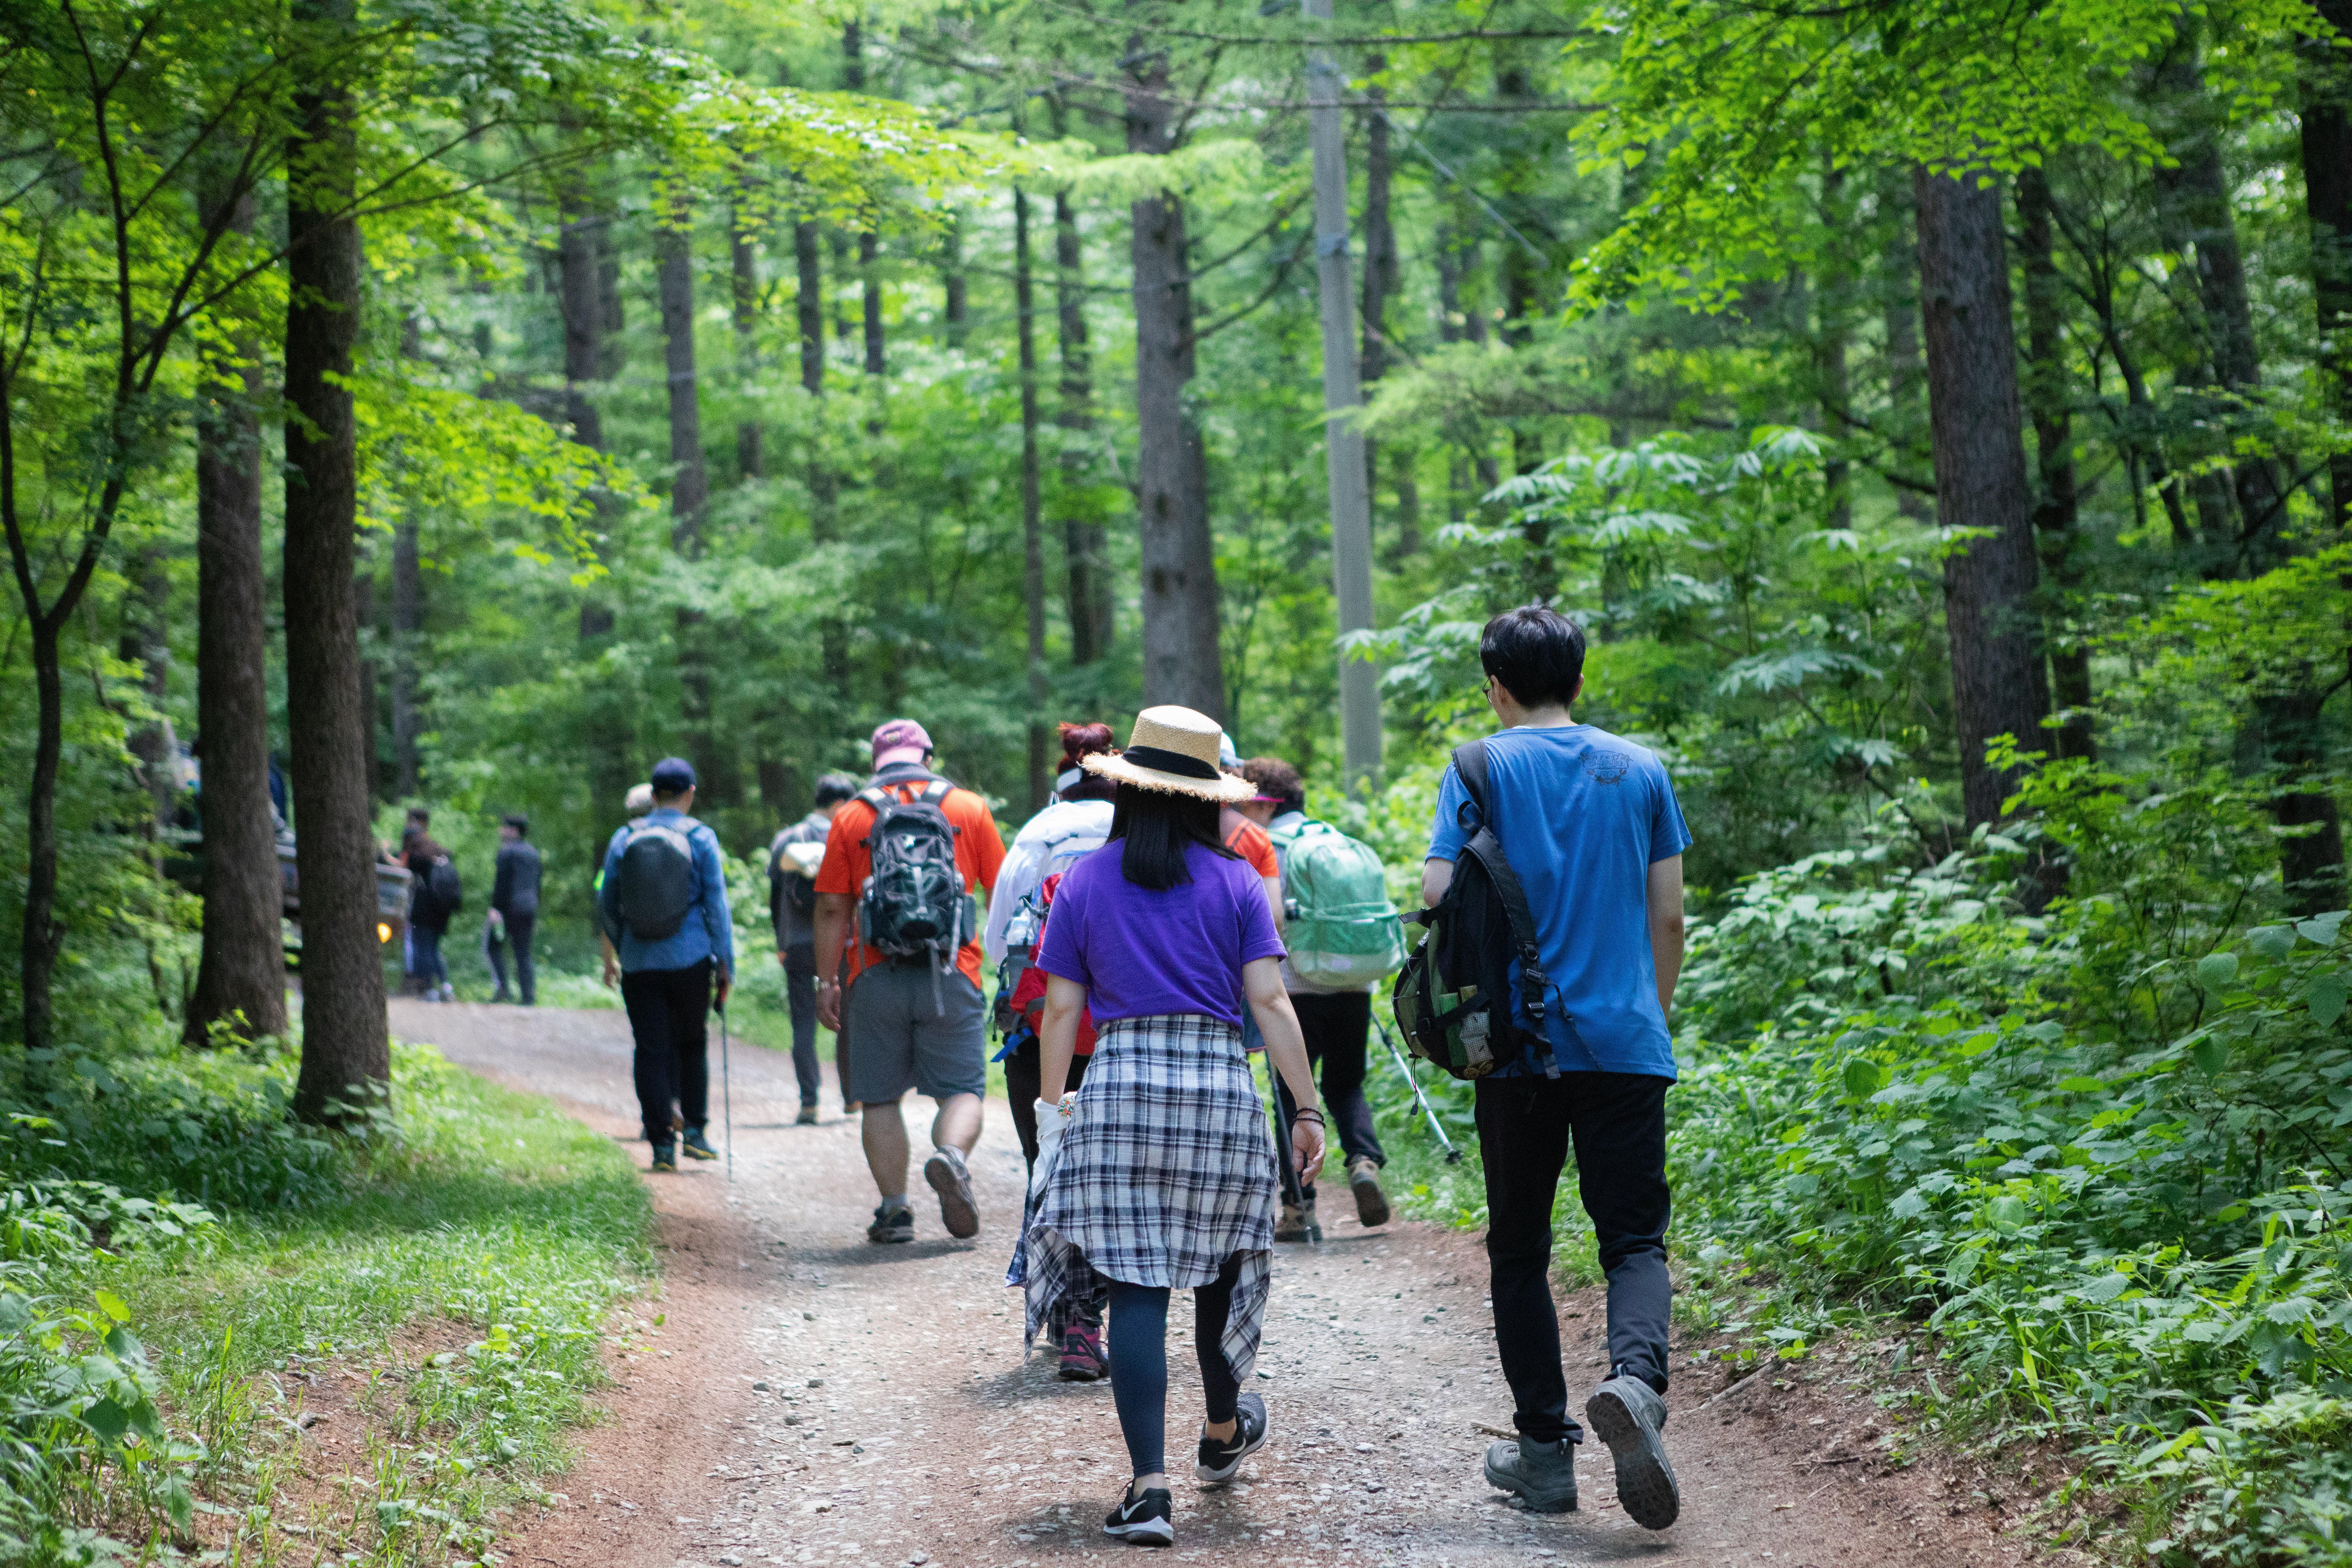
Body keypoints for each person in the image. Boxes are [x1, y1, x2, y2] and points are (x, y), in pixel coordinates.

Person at [1011, 705, 1325, 1549]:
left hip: (1118, 1088)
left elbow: (1061, 1010)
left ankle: (1149, 1490)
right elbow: (1269, 1000)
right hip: (1219, 1086)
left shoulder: (1085, 881)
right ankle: (1222, 1429)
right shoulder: (1232, 881)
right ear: (1200, 798)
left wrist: (1050, 1113)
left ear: (1132, 791)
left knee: (1139, 1284)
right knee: (1220, 1266)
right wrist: (1304, 1105)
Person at [1421, 605, 1690, 1530]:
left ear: (1496, 685)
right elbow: (1670, 919)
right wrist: (1647, 1014)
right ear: (1580, 679)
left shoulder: (1479, 767)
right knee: (1633, 1242)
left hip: (1521, 1049)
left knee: (1520, 1250)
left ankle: (1545, 1457)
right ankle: (1636, 1385)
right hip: (1626, 1042)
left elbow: (1436, 894)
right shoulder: (1643, 771)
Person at [813, 720, 1005, 1244]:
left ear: (877, 763)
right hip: (953, 971)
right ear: (927, 755)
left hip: (874, 976)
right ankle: (951, 1158)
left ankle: (895, 1211)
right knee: (963, 1091)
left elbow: (832, 907)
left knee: (879, 1099)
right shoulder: (968, 808)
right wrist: (1002, 965)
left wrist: (826, 982)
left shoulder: (852, 815)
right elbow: (1002, 893)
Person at [985, 721, 1119, 1379]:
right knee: (1121, 1180)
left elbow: (996, 941)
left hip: (1044, 1036)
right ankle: (1114, 1312)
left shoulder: (1039, 834)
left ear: (1060, 780)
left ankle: (1073, 1324)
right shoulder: (1141, 835)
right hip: (1126, 1036)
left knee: (1056, 1172)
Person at [1238, 756, 1391, 1235]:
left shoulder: (1267, 847)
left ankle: (1298, 1208)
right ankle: (1364, 1160)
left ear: (1265, 803)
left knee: (1290, 1096)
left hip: (1296, 987)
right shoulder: (1335, 840)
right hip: (1354, 982)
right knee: (1347, 1083)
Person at [599, 758, 735, 1173]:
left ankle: (661, 1144)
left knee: (651, 1049)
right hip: (691, 957)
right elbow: (717, 905)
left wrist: (619, 952)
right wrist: (725, 963)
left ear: (653, 794)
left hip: (640, 962)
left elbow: (607, 902)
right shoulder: (701, 837)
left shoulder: (624, 837)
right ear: (690, 793)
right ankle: (695, 1132)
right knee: (692, 1044)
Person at [769, 772, 862, 1125]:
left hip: (796, 941)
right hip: (840, 942)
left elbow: (775, 895)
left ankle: (809, 1103)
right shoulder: (848, 836)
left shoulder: (786, 838)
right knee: (847, 1019)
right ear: (840, 805)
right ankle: (852, 1098)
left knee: (802, 1023)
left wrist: (781, 941)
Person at [600, 782, 656, 990]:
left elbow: (606, 901)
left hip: (635, 951)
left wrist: (609, 960)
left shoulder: (621, 840)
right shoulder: (685, 836)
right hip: (685, 955)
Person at [487, 814, 541, 1005]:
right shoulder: (533, 853)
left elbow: (502, 884)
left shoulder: (507, 852)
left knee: (493, 946)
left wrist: (495, 909)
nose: (501, 831)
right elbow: (537, 884)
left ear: (514, 831)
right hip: (529, 908)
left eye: (505, 828)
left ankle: (503, 989)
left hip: (509, 908)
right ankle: (528, 996)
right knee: (523, 952)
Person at [404, 832, 458, 1001]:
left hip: (424, 910)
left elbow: (404, 867)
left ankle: (429, 989)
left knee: (422, 949)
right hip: (443, 911)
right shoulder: (444, 856)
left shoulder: (419, 859)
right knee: (434, 949)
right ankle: (446, 986)